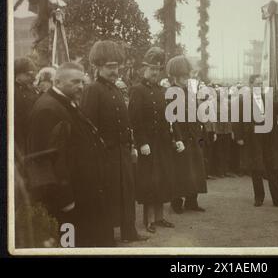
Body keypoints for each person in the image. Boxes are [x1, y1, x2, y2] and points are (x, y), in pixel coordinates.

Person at [26, 62, 113, 247]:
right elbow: (43, 160)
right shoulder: (48, 109)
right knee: (72, 245)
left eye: (82, 82)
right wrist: (64, 199)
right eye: (75, 82)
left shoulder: (64, 103)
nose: (80, 86)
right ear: (57, 81)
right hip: (69, 200)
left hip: (83, 193)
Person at [80, 40, 144, 243]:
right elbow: (88, 128)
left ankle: (129, 232)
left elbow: (125, 123)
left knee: (127, 192)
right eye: (110, 67)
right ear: (97, 66)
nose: (115, 70)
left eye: (117, 66)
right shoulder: (92, 90)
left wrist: (131, 146)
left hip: (123, 154)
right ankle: (106, 235)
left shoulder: (117, 90)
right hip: (105, 156)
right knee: (108, 195)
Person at [128, 47, 175, 234]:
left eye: (157, 69)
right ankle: (148, 221)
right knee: (148, 182)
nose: (155, 72)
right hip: (147, 144)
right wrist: (142, 142)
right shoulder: (137, 90)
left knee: (161, 180)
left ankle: (160, 217)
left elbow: (166, 119)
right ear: (144, 69)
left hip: (161, 144)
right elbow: (134, 119)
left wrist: (171, 139)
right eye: (151, 69)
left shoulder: (161, 90)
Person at [233, 74, 278, 208]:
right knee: (256, 168)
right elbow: (237, 120)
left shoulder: (268, 98)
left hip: (269, 138)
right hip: (253, 138)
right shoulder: (243, 100)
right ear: (251, 85)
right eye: (257, 84)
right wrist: (239, 137)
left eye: (261, 84)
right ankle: (259, 197)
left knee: (273, 168)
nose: (260, 86)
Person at [167, 56, 208, 213]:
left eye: (187, 76)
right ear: (176, 76)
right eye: (184, 76)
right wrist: (177, 138)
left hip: (193, 136)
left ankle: (192, 201)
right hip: (180, 137)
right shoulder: (170, 92)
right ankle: (176, 202)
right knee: (179, 171)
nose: (187, 79)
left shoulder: (191, 92)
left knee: (195, 169)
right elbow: (171, 119)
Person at [14, 57, 39, 156]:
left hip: (30, 132)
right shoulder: (12, 90)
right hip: (18, 134)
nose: (31, 77)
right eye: (27, 74)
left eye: (32, 74)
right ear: (17, 74)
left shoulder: (30, 88)